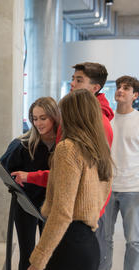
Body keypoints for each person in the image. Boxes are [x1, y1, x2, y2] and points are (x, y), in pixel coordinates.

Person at [15, 62, 114, 269]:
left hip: (68, 242)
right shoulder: (99, 146)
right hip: (88, 241)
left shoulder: (68, 148)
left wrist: (38, 259)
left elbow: (62, 212)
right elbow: (102, 191)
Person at [0, 97, 60, 270]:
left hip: (53, 205)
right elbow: (5, 169)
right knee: (27, 254)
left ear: (54, 117)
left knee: (49, 253)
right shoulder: (23, 144)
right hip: (26, 205)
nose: (38, 123)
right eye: (34, 118)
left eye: (43, 118)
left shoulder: (63, 144)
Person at [105, 76, 139, 270]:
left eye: (126, 88)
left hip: (133, 189)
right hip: (107, 188)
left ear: (135, 95)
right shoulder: (107, 120)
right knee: (104, 239)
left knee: (134, 241)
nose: (120, 90)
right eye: (119, 87)